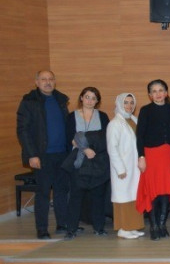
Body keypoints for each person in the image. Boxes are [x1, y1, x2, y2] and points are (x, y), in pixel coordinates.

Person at [17, 70, 71, 239]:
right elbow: (23, 130)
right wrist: (32, 155)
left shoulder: (61, 100)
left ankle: (62, 224)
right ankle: (42, 229)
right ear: (37, 82)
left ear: (55, 81)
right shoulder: (29, 101)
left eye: (50, 79)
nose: (48, 82)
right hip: (42, 156)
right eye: (44, 79)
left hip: (62, 154)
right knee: (43, 193)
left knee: (62, 191)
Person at [136, 80, 170, 241]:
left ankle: (163, 224)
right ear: (150, 95)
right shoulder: (145, 110)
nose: (158, 94)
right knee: (152, 191)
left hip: (169, 154)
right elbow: (140, 136)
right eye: (154, 91)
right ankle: (154, 226)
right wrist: (141, 156)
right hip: (151, 155)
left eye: (161, 90)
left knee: (166, 190)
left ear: (166, 93)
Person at [63, 87, 111, 239]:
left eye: (93, 98)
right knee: (76, 196)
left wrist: (90, 147)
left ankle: (99, 227)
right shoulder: (72, 116)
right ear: (81, 98)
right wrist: (86, 149)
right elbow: (70, 138)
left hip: (98, 161)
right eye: (87, 97)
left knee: (98, 196)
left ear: (97, 101)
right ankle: (71, 228)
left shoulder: (103, 116)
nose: (90, 100)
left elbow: (106, 138)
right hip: (79, 160)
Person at [107, 93, 144, 239]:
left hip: (134, 167)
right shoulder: (114, 123)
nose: (129, 106)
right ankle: (123, 228)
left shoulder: (133, 120)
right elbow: (112, 148)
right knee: (123, 198)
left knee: (133, 196)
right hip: (122, 169)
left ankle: (132, 227)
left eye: (131, 103)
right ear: (119, 104)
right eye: (125, 103)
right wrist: (120, 169)